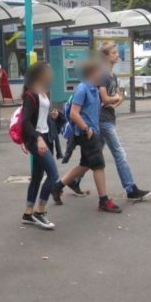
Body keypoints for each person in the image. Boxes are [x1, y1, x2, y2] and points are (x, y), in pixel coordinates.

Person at [51, 59, 122, 213]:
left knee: (85, 165)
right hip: (87, 134)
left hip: (91, 132)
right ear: (92, 73)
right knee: (99, 166)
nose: (102, 74)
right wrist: (87, 129)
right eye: (99, 71)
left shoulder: (94, 89)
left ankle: (57, 186)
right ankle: (104, 200)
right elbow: (73, 113)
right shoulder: (82, 89)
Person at [96, 43, 151, 201]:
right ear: (106, 56)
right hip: (103, 120)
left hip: (109, 117)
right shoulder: (102, 74)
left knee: (92, 156)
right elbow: (106, 99)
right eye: (113, 53)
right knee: (119, 153)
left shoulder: (112, 75)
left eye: (116, 52)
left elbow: (118, 97)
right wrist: (114, 99)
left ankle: (70, 182)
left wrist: (114, 99)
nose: (117, 55)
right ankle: (130, 189)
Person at [20, 61, 59, 230]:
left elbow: (40, 116)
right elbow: (25, 122)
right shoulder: (31, 94)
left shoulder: (43, 92)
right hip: (37, 140)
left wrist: (53, 115)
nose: (51, 74)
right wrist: (38, 138)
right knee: (53, 175)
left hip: (45, 137)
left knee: (36, 177)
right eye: (48, 71)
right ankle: (40, 211)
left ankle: (28, 213)